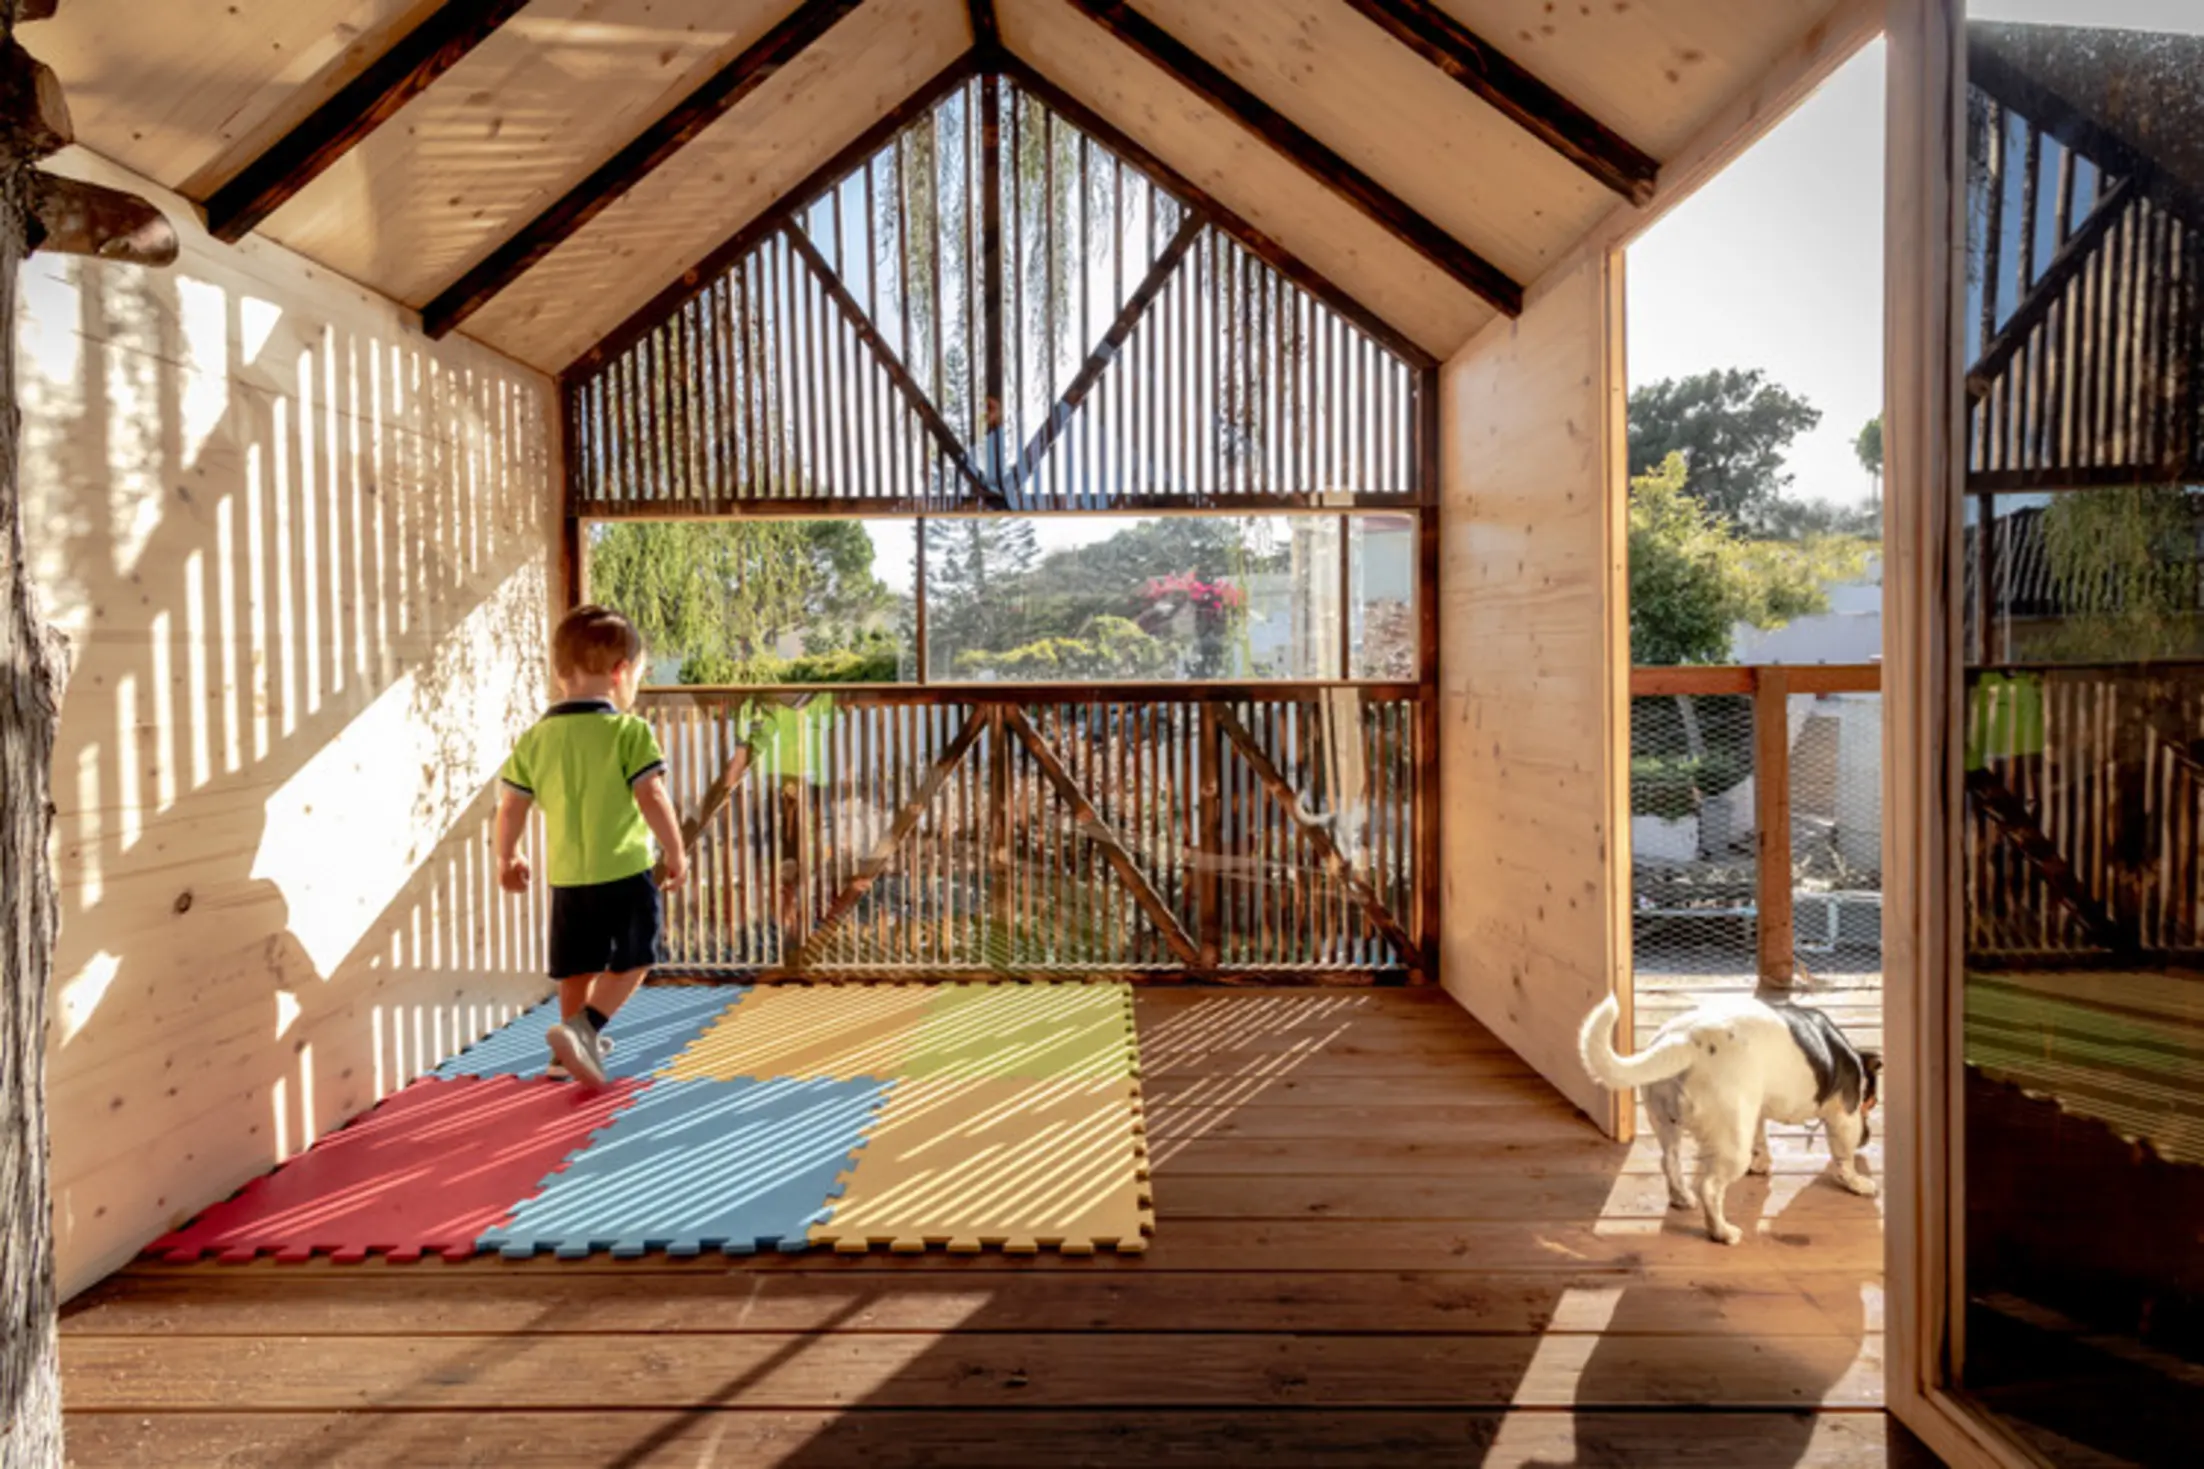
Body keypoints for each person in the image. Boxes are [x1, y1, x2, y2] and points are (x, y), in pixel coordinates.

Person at [494, 605, 687, 1086]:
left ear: (560, 672)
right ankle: (585, 1029)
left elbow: (511, 806)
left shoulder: (536, 739)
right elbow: (652, 794)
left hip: (568, 875)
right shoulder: (628, 732)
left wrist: (507, 855)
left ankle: (565, 1057)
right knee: (638, 957)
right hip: (623, 868)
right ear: (622, 673)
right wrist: (676, 851)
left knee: (576, 966)